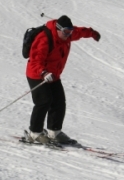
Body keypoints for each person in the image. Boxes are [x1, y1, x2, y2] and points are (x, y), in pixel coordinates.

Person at [25, 15, 101, 144]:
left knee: (59, 102)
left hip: (53, 75)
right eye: (66, 32)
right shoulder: (44, 38)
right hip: (37, 74)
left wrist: (92, 33)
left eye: (70, 32)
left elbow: (80, 31)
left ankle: (54, 132)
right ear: (58, 29)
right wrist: (43, 72)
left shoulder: (67, 35)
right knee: (44, 101)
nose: (68, 35)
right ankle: (35, 133)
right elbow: (35, 60)